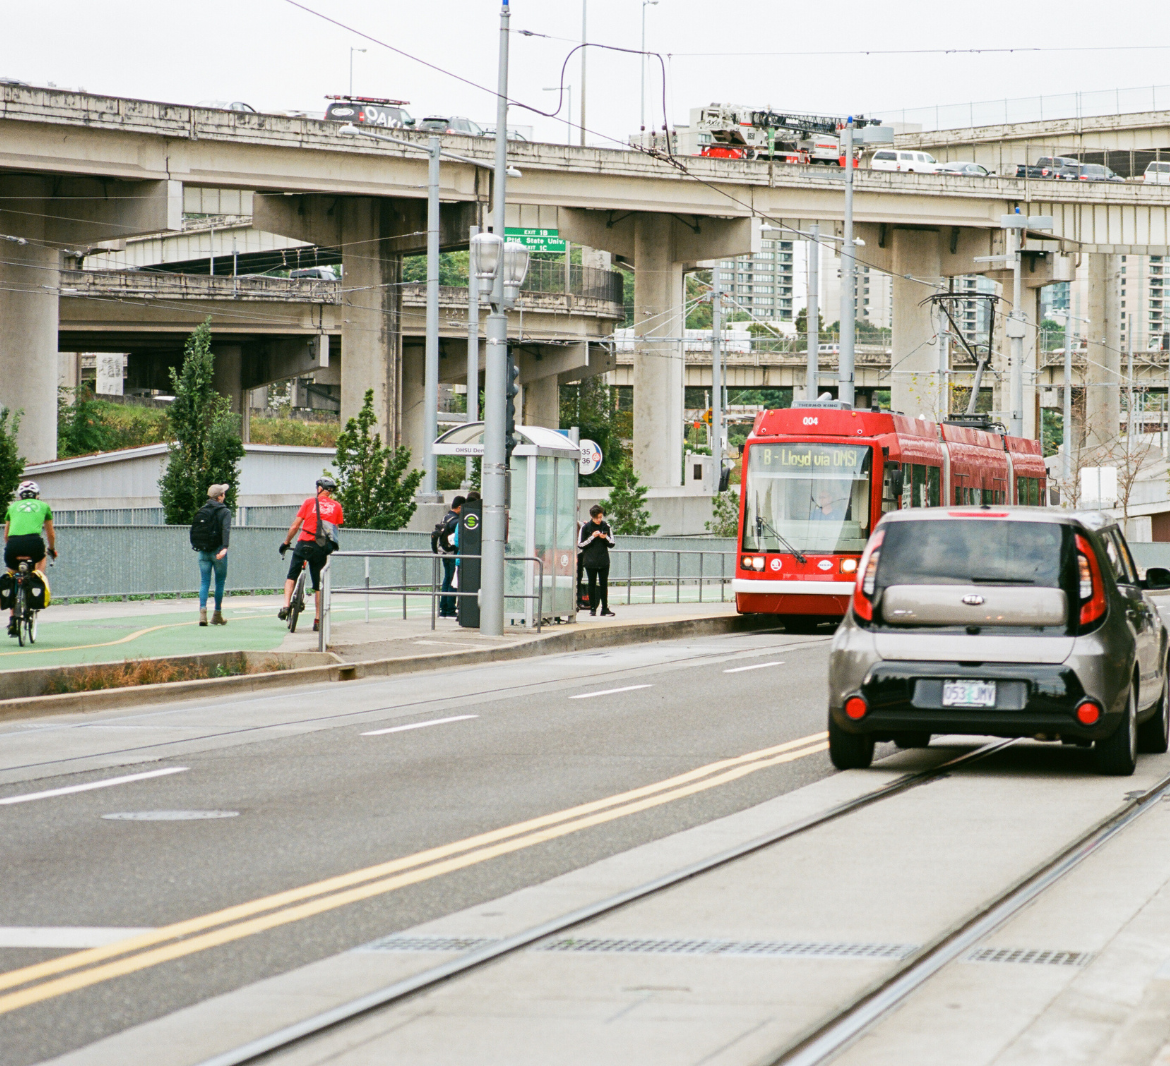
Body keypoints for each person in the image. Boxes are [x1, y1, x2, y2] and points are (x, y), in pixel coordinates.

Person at [279, 476, 344, 632]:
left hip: (304, 543)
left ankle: (286, 606)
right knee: (318, 586)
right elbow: (335, 530)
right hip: (321, 547)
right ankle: (317, 619)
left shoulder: (309, 502)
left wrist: (286, 542)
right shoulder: (337, 506)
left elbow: (295, 526)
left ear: (319, 488)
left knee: (291, 576)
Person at [4, 481, 56, 637]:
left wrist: (13, 549)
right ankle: (36, 579)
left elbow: (6, 535)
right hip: (34, 543)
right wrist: (52, 550)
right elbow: (50, 534)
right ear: (37, 494)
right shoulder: (44, 506)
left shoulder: (12, 507)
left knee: (12, 576)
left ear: (20, 495)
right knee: (42, 558)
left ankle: (13, 619)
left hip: (13, 545)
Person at [191, 484, 232, 626]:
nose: (224, 495)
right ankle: (217, 615)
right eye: (223, 493)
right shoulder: (225, 511)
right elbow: (226, 530)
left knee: (204, 582)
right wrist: (225, 548)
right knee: (219, 582)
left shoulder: (202, 510)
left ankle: (202, 613)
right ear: (219, 496)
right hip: (218, 551)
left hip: (203, 551)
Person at [578, 504, 615, 617]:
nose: (599, 520)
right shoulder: (586, 527)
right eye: (597, 517)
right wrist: (592, 537)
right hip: (590, 561)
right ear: (592, 516)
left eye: (600, 517)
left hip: (603, 560)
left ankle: (604, 608)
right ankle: (593, 608)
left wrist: (606, 538)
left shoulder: (606, 526)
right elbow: (580, 544)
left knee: (604, 584)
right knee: (591, 584)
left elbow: (612, 543)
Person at [436, 495, 464, 618]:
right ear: (460, 507)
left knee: (447, 579)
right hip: (453, 553)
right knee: (453, 581)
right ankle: (450, 609)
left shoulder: (445, 517)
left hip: (444, 552)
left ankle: (444, 608)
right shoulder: (457, 521)